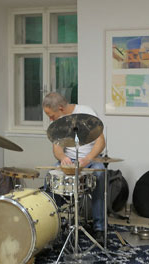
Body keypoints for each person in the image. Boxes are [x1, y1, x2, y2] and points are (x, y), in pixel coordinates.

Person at [42, 92, 107, 236]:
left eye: (51, 115)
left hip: (91, 160)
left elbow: (101, 142)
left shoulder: (86, 113)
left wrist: (87, 159)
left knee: (99, 175)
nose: (50, 119)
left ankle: (99, 227)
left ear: (60, 108)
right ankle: (52, 224)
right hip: (69, 161)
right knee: (50, 178)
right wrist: (63, 158)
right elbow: (57, 148)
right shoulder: (58, 122)